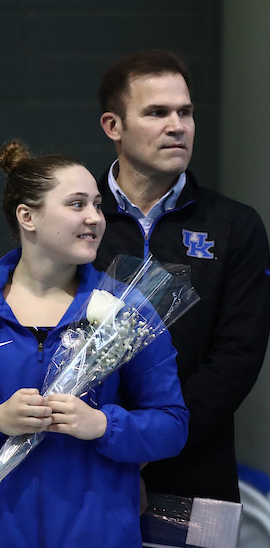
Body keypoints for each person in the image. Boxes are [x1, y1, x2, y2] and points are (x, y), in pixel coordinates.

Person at [93, 50, 270, 503]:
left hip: (196, 467)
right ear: (114, 126)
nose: (178, 125)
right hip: (87, 457)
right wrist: (108, 435)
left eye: (185, 112)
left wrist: (151, 442)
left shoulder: (236, 225)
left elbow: (238, 356)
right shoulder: (78, 219)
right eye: (157, 112)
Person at [0, 141, 188, 546]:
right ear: (27, 216)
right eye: (76, 204)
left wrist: (102, 425)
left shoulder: (126, 310)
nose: (95, 218)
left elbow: (172, 426)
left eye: (98, 205)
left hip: (99, 533)